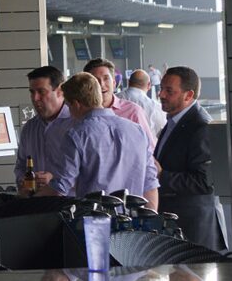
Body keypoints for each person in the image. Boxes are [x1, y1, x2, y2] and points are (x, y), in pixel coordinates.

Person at [35, 72, 159, 209]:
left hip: (95, 221)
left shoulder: (76, 135)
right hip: (132, 221)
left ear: (76, 104)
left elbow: (60, 187)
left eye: (69, 106)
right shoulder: (137, 131)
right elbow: (150, 183)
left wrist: (29, 203)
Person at [155, 66, 227, 250]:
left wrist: (161, 175)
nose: (161, 94)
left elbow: (204, 182)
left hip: (194, 227)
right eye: (161, 88)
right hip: (177, 223)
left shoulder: (200, 126)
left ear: (188, 95)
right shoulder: (174, 121)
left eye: (169, 91)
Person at [14, 66, 74, 192]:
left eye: (41, 92)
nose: (35, 98)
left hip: (69, 205)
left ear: (60, 91)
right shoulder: (29, 128)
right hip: (36, 204)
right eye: (32, 92)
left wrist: (56, 179)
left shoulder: (77, 125)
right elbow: (20, 166)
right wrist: (25, 180)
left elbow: (90, 171)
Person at [83, 58, 156, 149]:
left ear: (114, 83)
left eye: (106, 79)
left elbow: (149, 148)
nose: (101, 84)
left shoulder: (132, 111)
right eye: (96, 80)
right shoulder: (79, 112)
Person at [117, 69, 166, 136]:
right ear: (149, 85)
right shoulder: (156, 106)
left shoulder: (114, 99)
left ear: (128, 82)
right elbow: (161, 132)